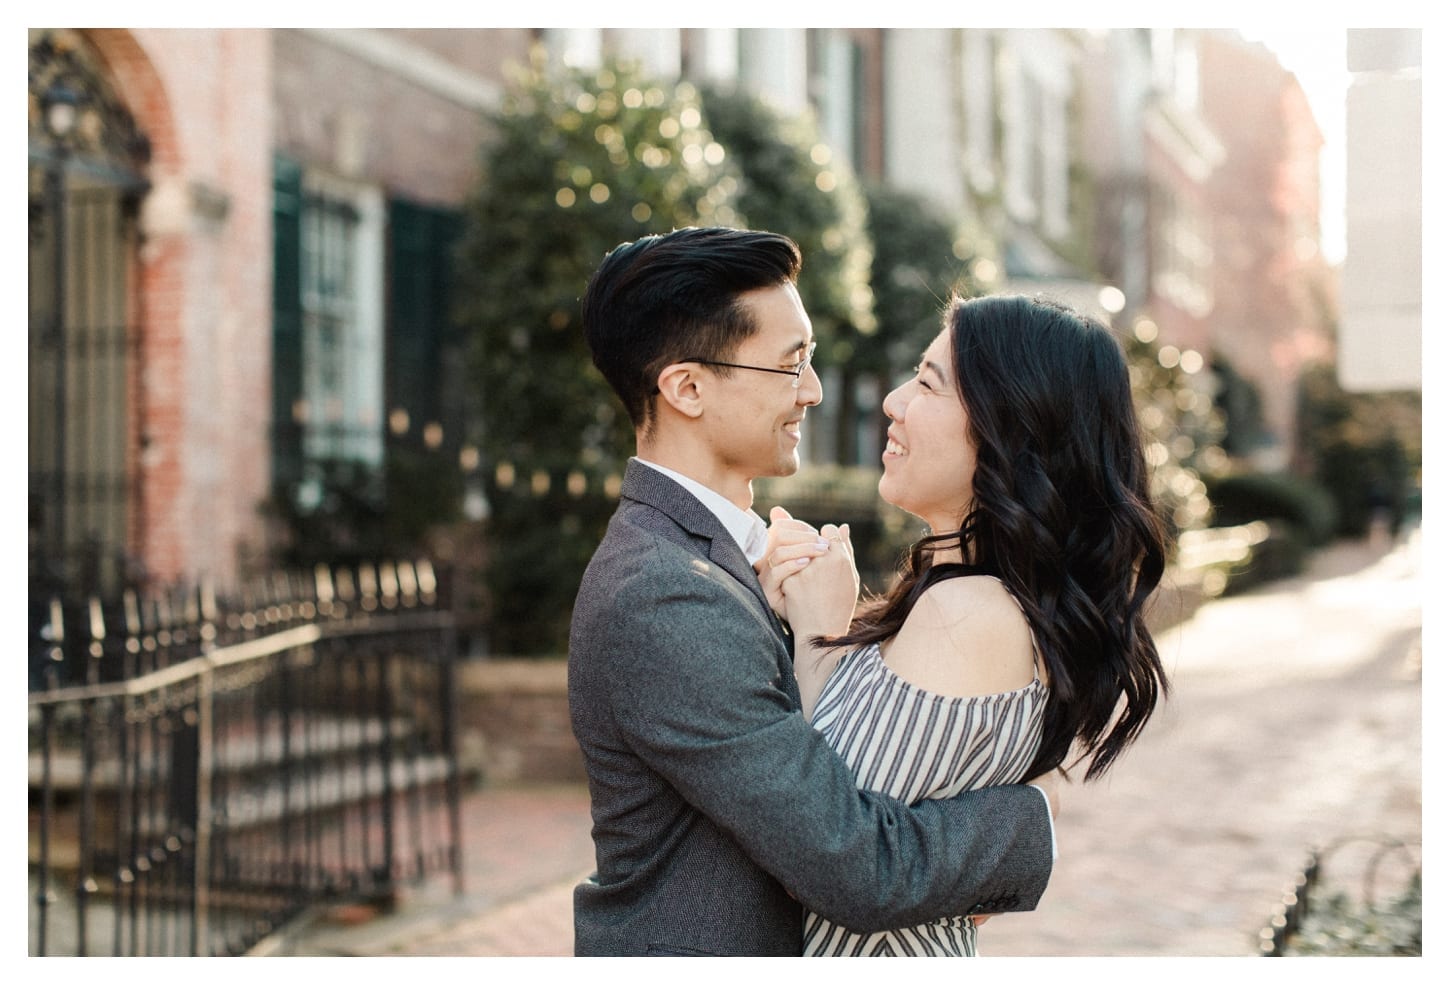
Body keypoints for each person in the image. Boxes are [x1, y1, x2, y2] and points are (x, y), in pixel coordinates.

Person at [568, 227, 1058, 957]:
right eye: (790, 365)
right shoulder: (662, 593)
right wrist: (1021, 825)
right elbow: (855, 866)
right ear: (688, 387)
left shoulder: (718, 565)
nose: (813, 390)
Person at [758, 293, 1171, 955]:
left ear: (1012, 427)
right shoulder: (970, 600)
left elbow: (831, 855)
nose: (894, 401)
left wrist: (816, 630)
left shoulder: (969, 613)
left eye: (927, 384)